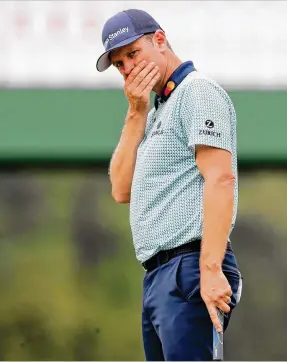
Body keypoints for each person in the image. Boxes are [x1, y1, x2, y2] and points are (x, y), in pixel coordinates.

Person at [96, 9, 243, 361]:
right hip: (158, 276)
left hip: (191, 267)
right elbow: (120, 189)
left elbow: (221, 179)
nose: (129, 68)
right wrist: (136, 112)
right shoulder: (152, 109)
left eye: (133, 54)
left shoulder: (197, 92)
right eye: (120, 64)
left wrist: (210, 269)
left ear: (159, 40)